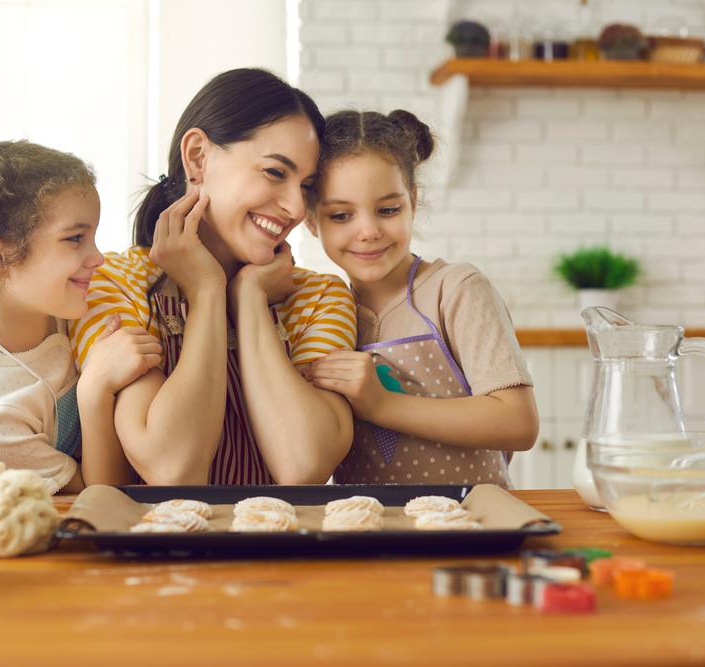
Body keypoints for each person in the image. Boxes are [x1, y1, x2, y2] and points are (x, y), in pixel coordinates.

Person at [68, 69, 356, 485]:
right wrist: (207, 292)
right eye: (275, 172)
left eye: (306, 185)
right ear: (198, 157)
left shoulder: (320, 297)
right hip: (162, 549)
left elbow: (303, 464)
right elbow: (173, 467)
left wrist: (252, 298)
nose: (295, 207)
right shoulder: (112, 282)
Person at [303, 110, 539, 486]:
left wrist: (383, 405)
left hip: (471, 528)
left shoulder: (456, 289)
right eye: (341, 215)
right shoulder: (322, 312)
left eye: (388, 210)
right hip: (372, 533)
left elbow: (518, 423)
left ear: (412, 201)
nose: (368, 231)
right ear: (312, 221)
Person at [0, 140, 161, 494]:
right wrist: (95, 390)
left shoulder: (59, 303)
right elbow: (95, 500)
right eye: (75, 239)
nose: (98, 258)